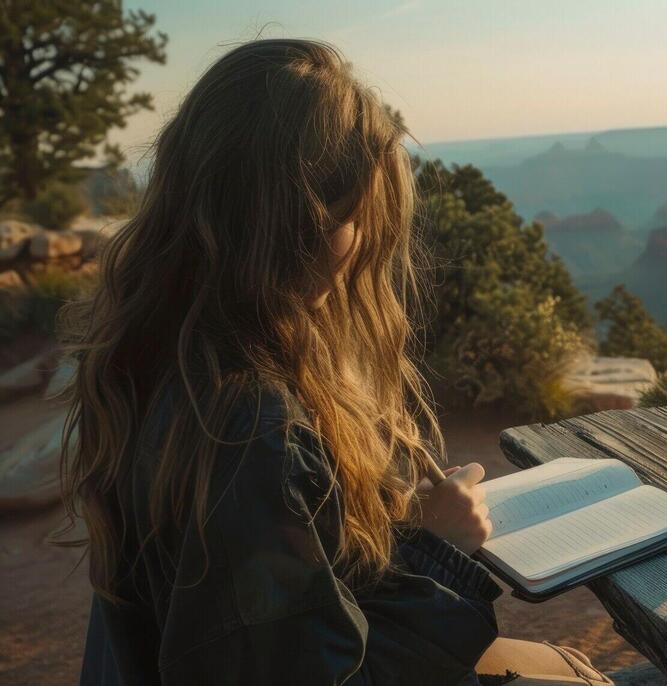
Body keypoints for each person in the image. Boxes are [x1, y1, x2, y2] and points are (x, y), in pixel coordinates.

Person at [59, 39, 613, 686]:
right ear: (298, 224)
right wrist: (440, 553)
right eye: (354, 218)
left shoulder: (163, 354)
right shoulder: (250, 431)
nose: (358, 248)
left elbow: (286, 607)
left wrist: (400, 531)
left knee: (567, 665)